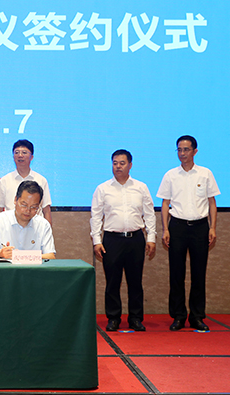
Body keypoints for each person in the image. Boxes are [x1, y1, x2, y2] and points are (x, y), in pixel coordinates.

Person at [157, 135, 220, 332]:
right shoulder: (170, 175)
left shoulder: (205, 173)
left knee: (199, 274)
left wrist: (212, 227)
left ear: (195, 151)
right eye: (179, 149)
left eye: (186, 149)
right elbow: (165, 203)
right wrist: (165, 229)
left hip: (200, 227)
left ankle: (197, 316)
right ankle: (178, 316)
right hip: (177, 226)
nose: (182, 153)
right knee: (176, 274)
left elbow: (212, 202)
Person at [90, 149, 156, 332]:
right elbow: (96, 216)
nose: (118, 166)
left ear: (130, 165)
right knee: (112, 282)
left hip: (135, 239)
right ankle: (113, 318)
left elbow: (149, 214)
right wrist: (97, 240)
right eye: (115, 163)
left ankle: (136, 318)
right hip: (112, 240)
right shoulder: (103, 188)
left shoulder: (141, 187)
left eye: (122, 163)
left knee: (135, 282)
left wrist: (151, 238)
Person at [0, 181, 56, 259]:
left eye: (33, 207)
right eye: (24, 205)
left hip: (32, 267)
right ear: (15, 200)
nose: (28, 210)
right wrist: (0, 253)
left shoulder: (43, 225)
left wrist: (22, 257)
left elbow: (51, 256)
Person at [0, 139, 53, 226]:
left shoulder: (41, 180)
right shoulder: (5, 180)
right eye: (17, 152)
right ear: (13, 157)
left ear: (31, 157)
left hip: (35, 228)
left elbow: (46, 210)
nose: (20, 155)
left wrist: (48, 230)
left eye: (24, 152)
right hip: (10, 227)